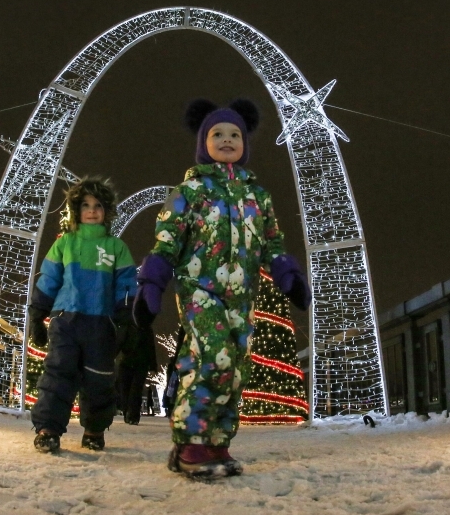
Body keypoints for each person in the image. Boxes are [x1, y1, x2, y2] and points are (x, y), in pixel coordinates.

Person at [133, 99, 311, 477]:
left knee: (236, 367)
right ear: (203, 142)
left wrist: (289, 276)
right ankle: (191, 444)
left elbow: (272, 244)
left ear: (245, 142)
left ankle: (217, 441)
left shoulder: (257, 197)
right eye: (218, 134)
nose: (227, 139)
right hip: (200, 292)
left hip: (242, 298)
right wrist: (151, 285)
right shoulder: (189, 192)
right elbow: (166, 243)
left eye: (235, 134)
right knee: (212, 357)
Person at [27, 177, 136, 454]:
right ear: (76, 210)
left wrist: (125, 321)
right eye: (85, 205)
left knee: (99, 379)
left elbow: (126, 286)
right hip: (66, 320)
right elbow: (49, 278)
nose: (91, 210)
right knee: (58, 374)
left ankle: (94, 429)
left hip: (101, 324)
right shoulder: (65, 244)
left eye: (98, 205)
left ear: (106, 211)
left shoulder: (116, 247)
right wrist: (39, 313)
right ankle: (48, 430)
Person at [116, 307, 157, 424]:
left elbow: (151, 348)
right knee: (125, 390)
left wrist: (153, 366)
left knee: (135, 390)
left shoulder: (147, 330)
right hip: (127, 362)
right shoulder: (127, 327)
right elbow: (119, 342)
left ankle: (133, 415)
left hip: (140, 363)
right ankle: (127, 413)